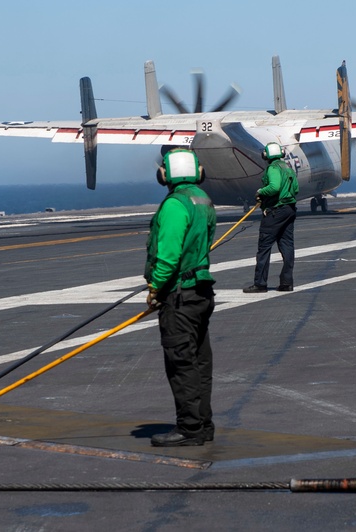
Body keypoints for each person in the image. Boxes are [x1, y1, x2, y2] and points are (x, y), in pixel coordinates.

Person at [145, 148, 217, 447]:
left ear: (165, 174)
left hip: (180, 297)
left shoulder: (175, 205)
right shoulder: (203, 200)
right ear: (198, 172)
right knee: (200, 362)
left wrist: (155, 289)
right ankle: (204, 424)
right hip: (200, 292)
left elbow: (169, 255)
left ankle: (189, 429)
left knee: (181, 363)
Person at [244, 142, 299, 293]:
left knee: (264, 247)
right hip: (289, 209)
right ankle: (287, 282)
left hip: (276, 211)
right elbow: (296, 188)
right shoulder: (287, 167)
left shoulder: (273, 168)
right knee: (287, 245)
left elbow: (274, 187)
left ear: (266, 155)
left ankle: (260, 284)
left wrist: (261, 192)